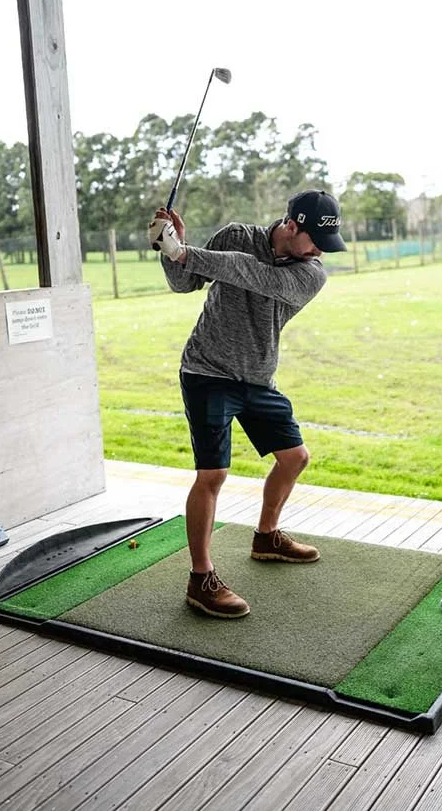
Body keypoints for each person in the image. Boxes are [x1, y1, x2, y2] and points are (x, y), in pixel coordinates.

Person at [148, 190, 347, 619]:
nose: (318, 252)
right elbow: (184, 282)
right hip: (207, 371)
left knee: (294, 457)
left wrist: (186, 252)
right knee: (213, 473)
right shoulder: (237, 234)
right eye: (314, 240)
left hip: (257, 377)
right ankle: (201, 578)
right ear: (292, 224)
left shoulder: (311, 273)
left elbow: (252, 274)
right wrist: (169, 248)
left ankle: (266, 536)